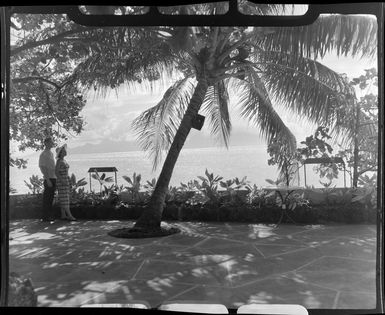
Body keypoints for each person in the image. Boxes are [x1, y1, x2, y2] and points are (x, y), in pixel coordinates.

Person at [55, 144, 76, 221]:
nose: (65, 151)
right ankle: (70, 216)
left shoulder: (63, 160)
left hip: (66, 179)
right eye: (64, 150)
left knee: (65, 198)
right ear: (61, 153)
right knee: (65, 199)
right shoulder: (59, 161)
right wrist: (62, 180)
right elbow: (56, 172)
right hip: (62, 181)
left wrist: (69, 180)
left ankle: (63, 215)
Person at [38, 137, 57, 222]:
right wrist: (47, 179)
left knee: (51, 198)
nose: (52, 143)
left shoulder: (51, 153)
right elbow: (42, 167)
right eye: (50, 142)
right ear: (45, 143)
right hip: (48, 178)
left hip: (53, 177)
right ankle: (45, 216)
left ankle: (49, 215)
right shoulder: (43, 154)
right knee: (47, 198)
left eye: (52, 142)